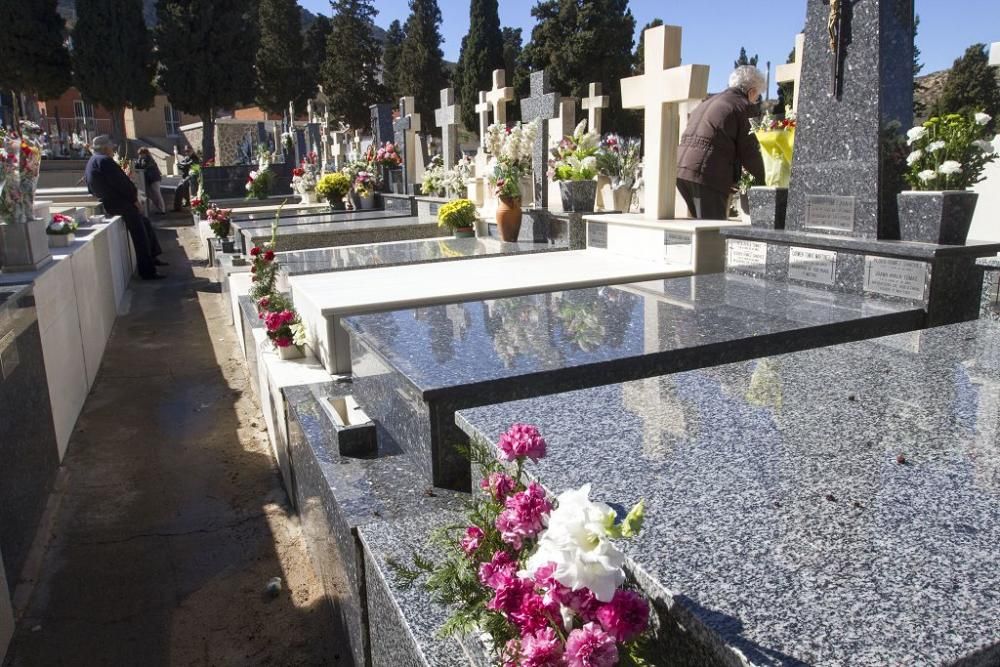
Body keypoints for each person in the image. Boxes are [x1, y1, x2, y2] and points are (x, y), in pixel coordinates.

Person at [676, 65, 766, 220]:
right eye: (757, 95)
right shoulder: (742, 106)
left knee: (699, 227)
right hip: (707, 174)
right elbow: (749, 151)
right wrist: (769, 179)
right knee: (712, 232)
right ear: (751, 91)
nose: (755, 100)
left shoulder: (709, 101)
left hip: (682, 170)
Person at [85, 135, 167, 280]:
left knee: (145, 223)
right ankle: (148, 271)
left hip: (112, 202)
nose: (113, 149)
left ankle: (153, 257)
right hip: (119, 204)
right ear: (105, 148)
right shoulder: (104, 161)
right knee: (139, 234)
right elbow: (122, 184)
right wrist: (134, 200)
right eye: (111, 147)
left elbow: (91, 187)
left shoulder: (93, 161)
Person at [135, 147, 166, 215]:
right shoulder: (141, 159)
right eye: (139, 154)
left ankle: (162, 209)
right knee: (152, 195)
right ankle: (158, 209)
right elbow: (137, 166)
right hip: (148, 179)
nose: (140, 155)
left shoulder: (149, 159)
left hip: (154, 179)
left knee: (157, 193)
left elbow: (146, 167)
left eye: (141, 154)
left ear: (145, 153)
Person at [173, 145, 200, 212]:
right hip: (185, 176)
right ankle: (177, 207)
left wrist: (182, 165)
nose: (186, 153)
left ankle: (187, 201)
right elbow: (180, 166)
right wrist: (182, 165)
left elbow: (187, 165)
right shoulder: (186, 158)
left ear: (192, 150)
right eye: (185, 151)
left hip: (191, 176)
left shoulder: (195, 158)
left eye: (188, 151)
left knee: (183, 186)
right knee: (178, 189)